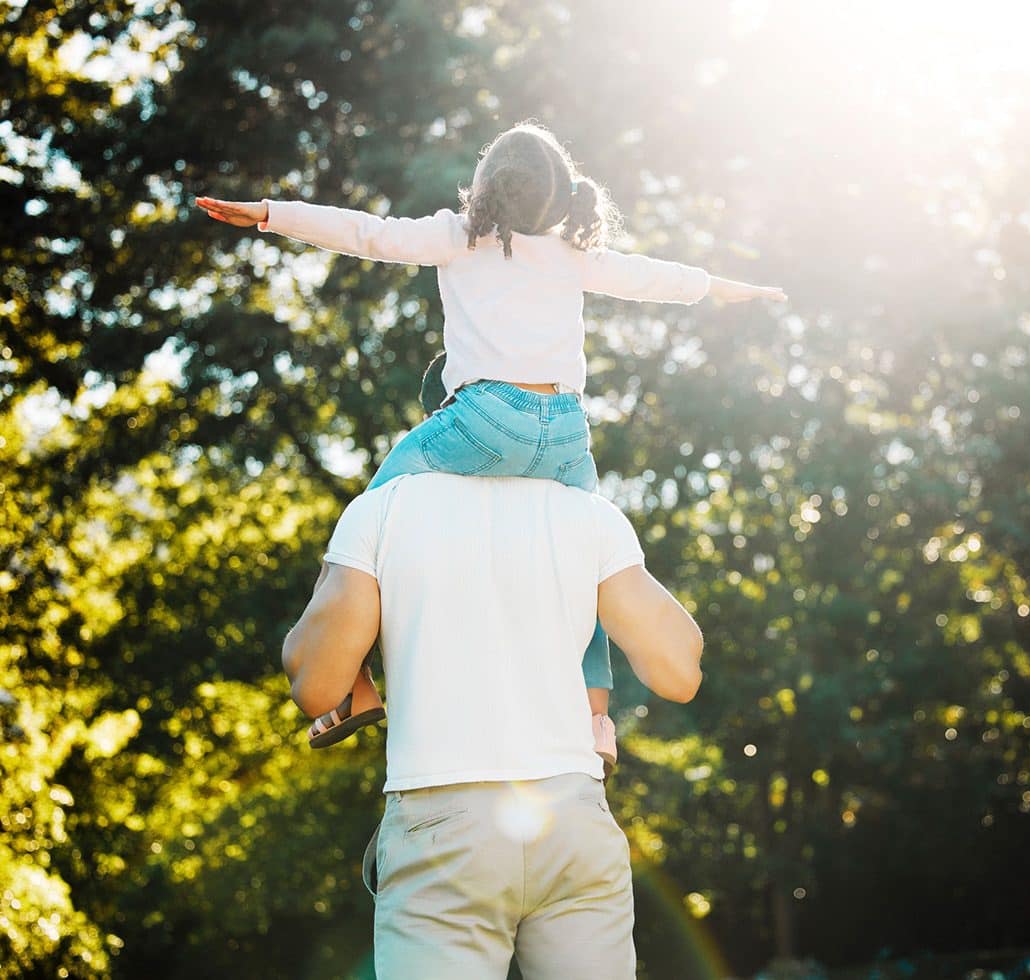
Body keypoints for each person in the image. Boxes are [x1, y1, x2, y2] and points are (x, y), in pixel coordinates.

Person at [197, 122, 783, 770]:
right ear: (558, 199)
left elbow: (366, 232)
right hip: (565, 433)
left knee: (371, 519)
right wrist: (736, 288)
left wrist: (271, 214)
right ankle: (594, 719)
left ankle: (355, 684)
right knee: (590, 573)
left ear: (485, 186)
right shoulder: (571, 252)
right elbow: (657, 278)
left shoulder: (460, 237)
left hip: (484, 420)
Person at [282, 469, 703, 977]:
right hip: (572, 813)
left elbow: (316, 688)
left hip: (440, 819)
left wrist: (343, 593)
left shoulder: (382, 506)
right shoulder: (591, 514)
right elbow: (681, 674)